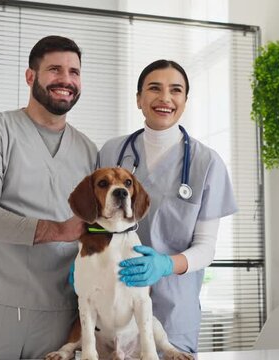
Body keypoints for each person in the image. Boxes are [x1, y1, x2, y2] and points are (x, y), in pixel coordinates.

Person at [0, 35, 97, 360]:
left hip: (60, 310)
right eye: (55, 69)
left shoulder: (89, 151)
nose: (66, 79)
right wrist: (59, 230)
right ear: (30, 76)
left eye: (74, 72)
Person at [97, 59, 238, 353]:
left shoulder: (206, 163)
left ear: (185, 100)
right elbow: (95, 224)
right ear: (139, 99)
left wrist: (163, 265)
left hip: (174, 310)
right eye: (154, 88)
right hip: (115, 306)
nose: (165, 98)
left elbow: (206, 248)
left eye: (176, 90)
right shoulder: (112, 152)